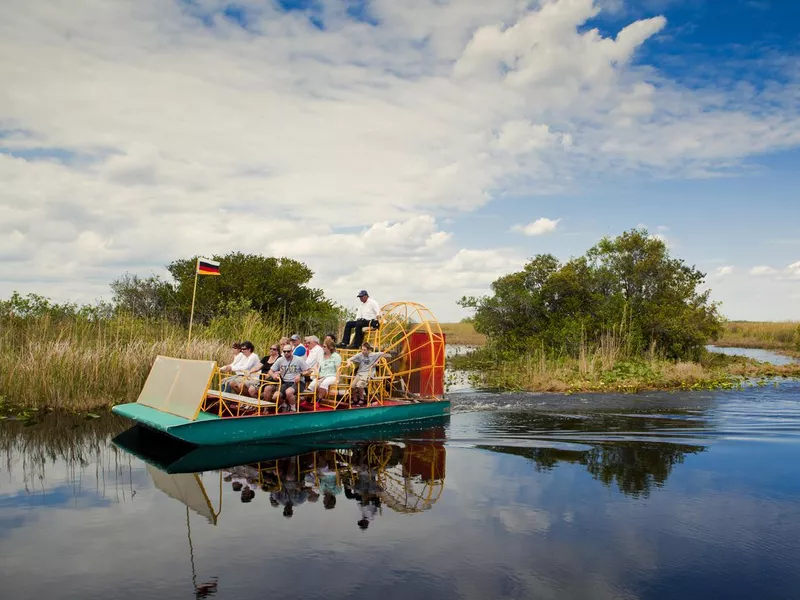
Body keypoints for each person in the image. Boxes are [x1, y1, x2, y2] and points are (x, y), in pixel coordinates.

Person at [268, 344, 309, 412]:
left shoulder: (298, 360)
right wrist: (273, 375)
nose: (286, 353)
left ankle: (293, 409)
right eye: (284, 351)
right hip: (285, 382)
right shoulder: (280, 360)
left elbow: (308, 370)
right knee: (275, 396)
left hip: (298, 383)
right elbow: (270, 371)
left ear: (292, 351)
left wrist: (300, 374)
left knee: (288, 392)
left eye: (288, 351)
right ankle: (285, 405)